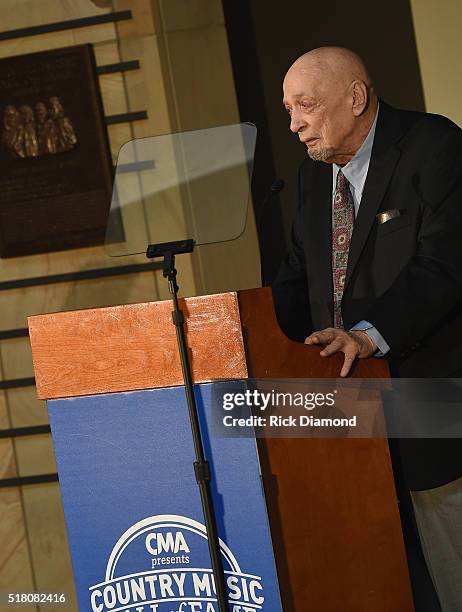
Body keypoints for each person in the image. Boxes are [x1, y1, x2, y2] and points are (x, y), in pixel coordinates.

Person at [272, 46, 462, 611]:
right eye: (288, 110)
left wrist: (368, 333)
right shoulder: (311, 180)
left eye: (305, 105)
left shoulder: (433, 146)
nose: (295, 124)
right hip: (348, 432)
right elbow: (296, 278)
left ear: (355, 98)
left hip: (434, 412)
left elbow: (445, 264)